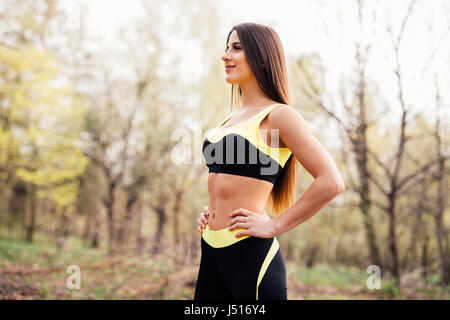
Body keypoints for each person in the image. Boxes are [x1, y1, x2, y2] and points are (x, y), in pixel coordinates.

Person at [194, 22, 345, 300]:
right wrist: (213, 211)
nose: (225, 56)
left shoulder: (279, 116)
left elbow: (332, 182)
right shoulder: (228, 120)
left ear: (261, 56)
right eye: (226, 48)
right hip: (210, 252)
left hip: (250, 258)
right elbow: (229, 181)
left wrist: (275, 225)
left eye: (236, 48)